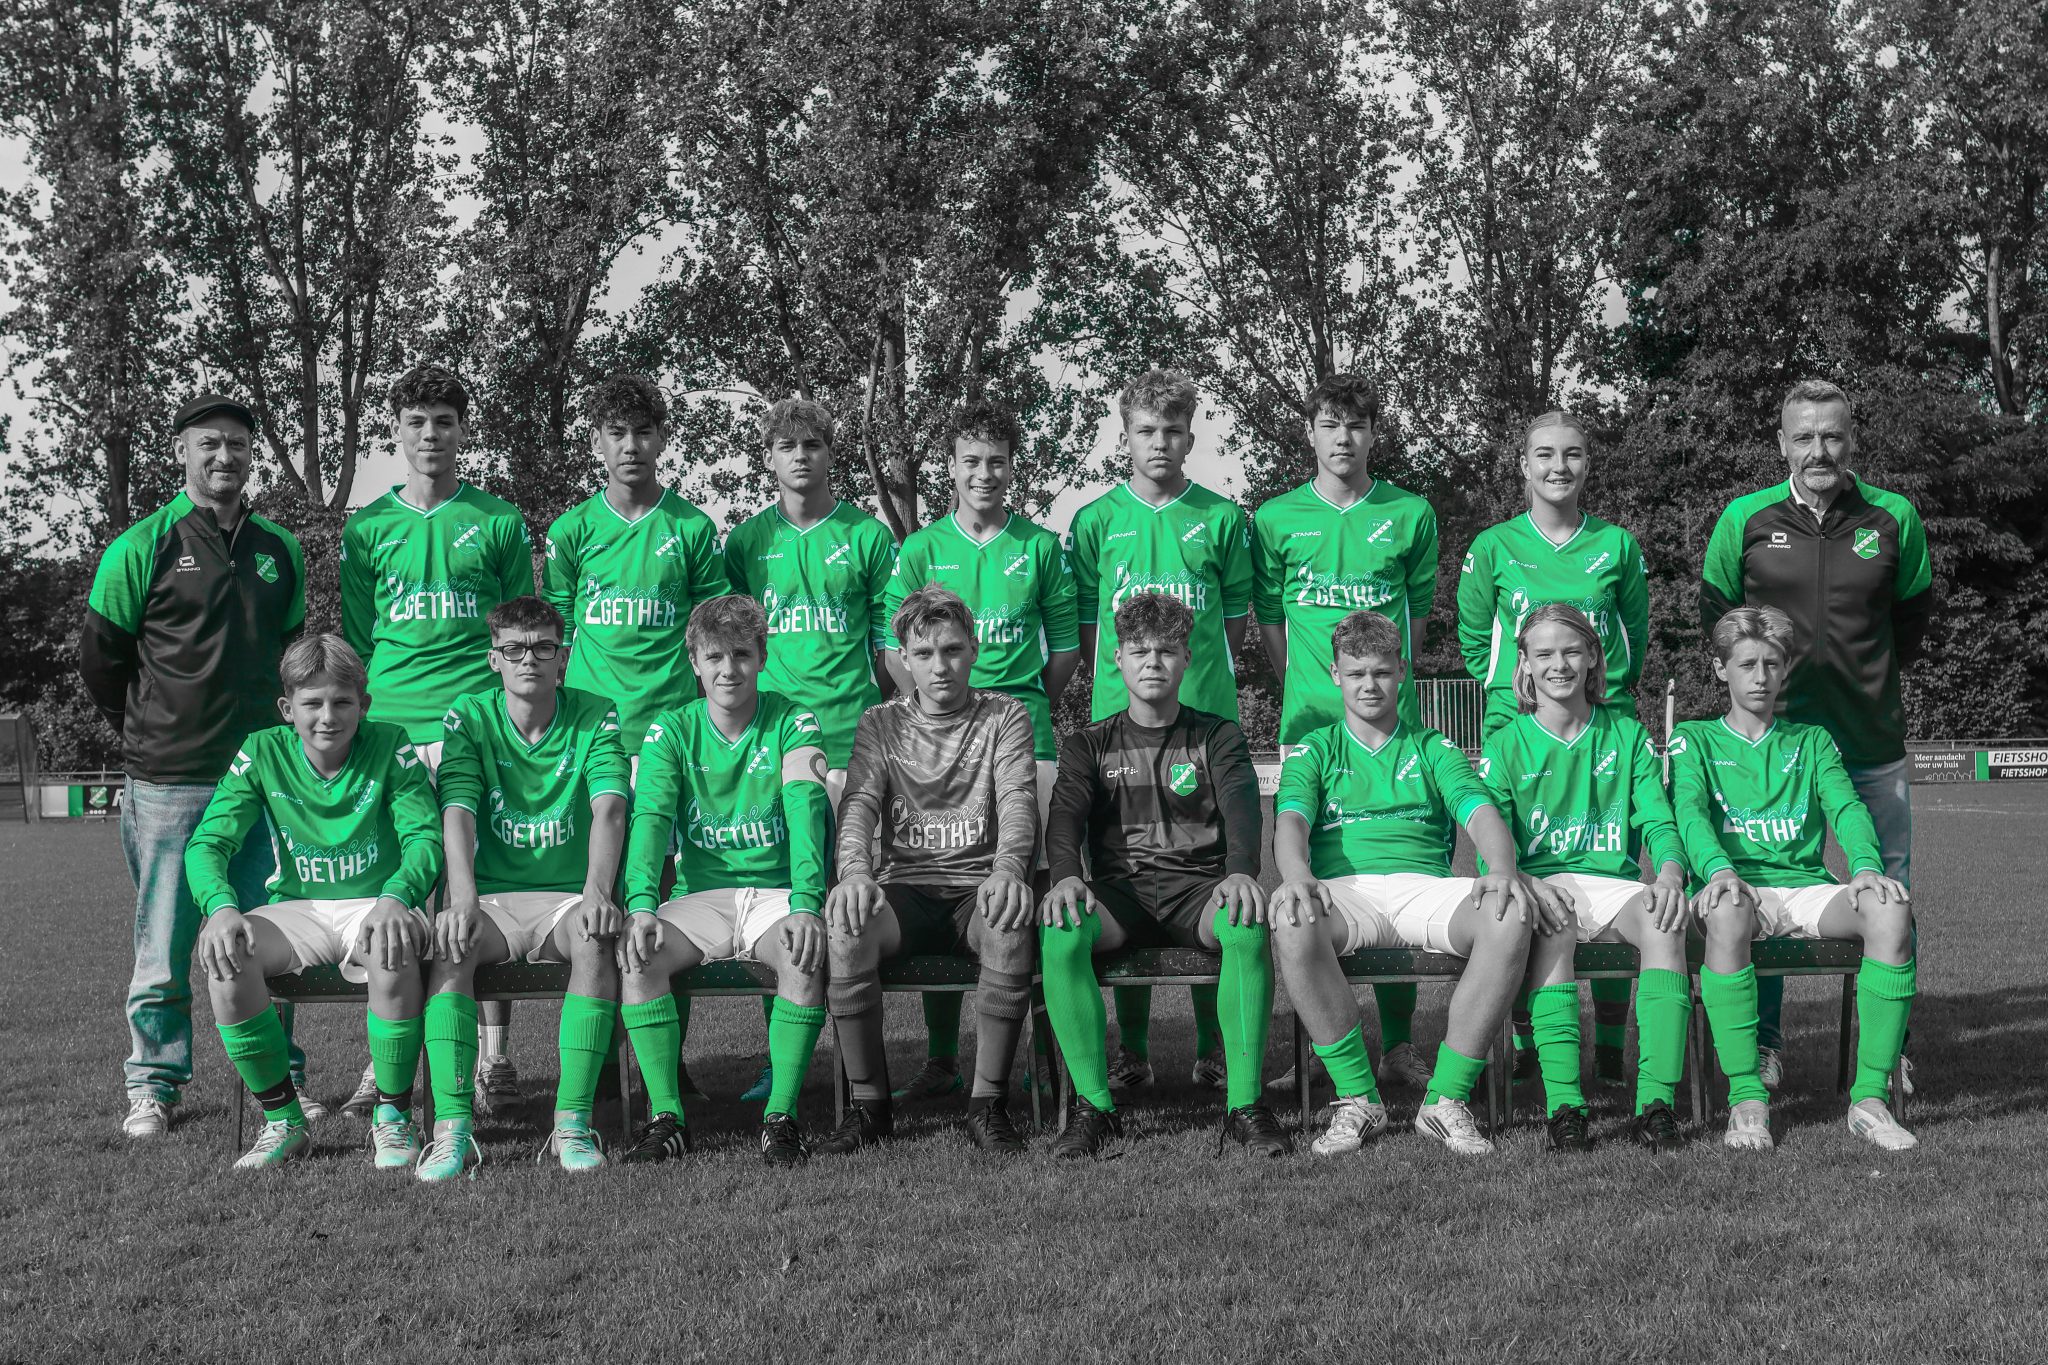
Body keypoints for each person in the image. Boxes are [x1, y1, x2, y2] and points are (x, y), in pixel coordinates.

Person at [79, 391, 312, 1138]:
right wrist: (149, 730)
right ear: (181, 450)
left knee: (270, 936)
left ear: (252, 455)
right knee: (166, 940)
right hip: (168, 778)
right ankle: (153, 1085)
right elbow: (101, 661)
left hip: (263, 779)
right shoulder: (140, 544)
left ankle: (283, 1080)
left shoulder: (281, 548)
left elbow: (294, 662)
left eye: (237, 444)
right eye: (209, 443)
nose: (224, 456)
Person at [1699, 379, 1930, 1092]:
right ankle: (1765, 1044)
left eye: (1832, 435)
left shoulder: (1894, 517)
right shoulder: (1743, 518)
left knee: (1888, 890)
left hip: (1868, 741)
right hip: (1772, 748)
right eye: (1804, 436)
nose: (1819, 450)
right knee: (1765, 881)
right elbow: (1721, 620)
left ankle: (1890, 1049)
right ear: (1782, 443)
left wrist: (1863, 681)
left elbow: (1910, 624)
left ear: (1851, 439)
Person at [1267, 610, 1551, 1158]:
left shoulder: (1434, 746)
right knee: (1292, 916)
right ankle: (1358, 1100)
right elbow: (1291, 820)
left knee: (1508, 911)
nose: (1369, 685)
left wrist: (1500, 868)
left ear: (1402, 670)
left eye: (1380, 671)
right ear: (1335, 674)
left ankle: (1446, 1099)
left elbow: (1480, 812)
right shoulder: (1314, 748)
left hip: (1424, 887)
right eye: (1356, 673)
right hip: (1345, 889)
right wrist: (1298, 875)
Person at [339, 363, 536, 1118]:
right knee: (397, 887)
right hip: (393, 729)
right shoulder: (366, 527)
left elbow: (517, 629)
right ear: (397, 431)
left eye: (444, 421)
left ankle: (493, 1055)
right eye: (417, 421)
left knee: (474, 886)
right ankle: (383, 1058)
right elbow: (362, 637)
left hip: (474, 727)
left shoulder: (500, 521)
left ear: (463, 430)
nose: (431, 434)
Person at [1037, 592, 1284, 1159]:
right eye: (1140, 651)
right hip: (1120, 895)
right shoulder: (1087, 743)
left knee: (1245, 924)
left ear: (1186, 659)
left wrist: (1241, 872)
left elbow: (1243, 810)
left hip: (1197, 892)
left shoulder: (1218, 735)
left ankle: (1245, 1106)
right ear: (1117, 659)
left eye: (1167, 650)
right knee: (1062, 928)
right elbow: (1065, 816)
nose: (1153, 662)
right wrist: (1067, 877)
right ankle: (1095, 1108)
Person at [880, 397, 1078, 1102]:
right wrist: (939, 711)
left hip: (1025, 733)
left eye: (997, 461)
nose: (984, 473)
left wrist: (1014, 703)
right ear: (951, 467)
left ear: (1013, 466)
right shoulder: (919, 549)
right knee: (938, 874)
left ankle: (1044, 1056)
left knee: (1030, 885)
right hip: (937, 741)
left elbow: (1066, 652)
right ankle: (942, 1058)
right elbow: (893, 649)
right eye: (971, 461)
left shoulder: (1041, 547)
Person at [184, 635, 442, 1169]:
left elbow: (424, 838)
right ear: (288, 709)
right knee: (229, 960)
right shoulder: (262, 751)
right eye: (313, 703)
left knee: (390, 945)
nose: (328, 716)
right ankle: (284, 1121)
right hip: (298, 908)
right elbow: (208, 843)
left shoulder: (391, 743)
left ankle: (393, 1118)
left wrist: (397, 896)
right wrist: (221, 906)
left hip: (378, 902)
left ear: (363, 704)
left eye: (342, 701)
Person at [543, 372, 731, 1101]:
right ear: (597, 441)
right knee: (601, 901)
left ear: (662, 440)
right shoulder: (572, 531)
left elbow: (713, 638)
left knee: (662, 902)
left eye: (643, 432)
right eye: (616, 432)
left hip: (671, 741)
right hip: (595, 741)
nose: (631, 445)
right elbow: (557, 641)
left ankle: (664, 1062)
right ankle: (596, 1067)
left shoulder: (692, 529)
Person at [1253, 373, 1441, 1095]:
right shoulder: (1275, 518)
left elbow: (1414, 621)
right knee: (1308, 882)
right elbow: (1271, 621)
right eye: (1330, 424)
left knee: (1403, 871)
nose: (1343, 438)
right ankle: (1319, 1051)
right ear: (1310, 432)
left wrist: (1383, 689)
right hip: (1309, 723)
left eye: (1356, 425)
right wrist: (1305, 683)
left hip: (1393, 728)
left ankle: (1398, 1046)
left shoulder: (1410, 513)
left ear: (1372, 434)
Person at [1670, 606, 1918, 1151]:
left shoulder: (1812, 740)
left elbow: (1846, 807)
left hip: (1805, 886)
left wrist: (1866, 866)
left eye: (1772, 664)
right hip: (1733, 886)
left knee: (1890, 910)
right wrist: (1719, 870)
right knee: (1727, 909)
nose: (1760, 677)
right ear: (1720, 669)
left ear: (1785, 669)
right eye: (1747, 664)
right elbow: (1688, 812)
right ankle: (1747, 1100)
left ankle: (1870, 1099)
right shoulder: (1695, 738)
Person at [1066, 369, 1251, 1095]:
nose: (1160, 443)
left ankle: (1212, 1048)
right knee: (1122, 873)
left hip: (1202, 726)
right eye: (1146, 430)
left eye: (1173, 430)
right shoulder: (1093, 521)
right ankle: (1133, 1052)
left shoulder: (1222, 518)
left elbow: (1231, 624)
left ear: (1190, 437)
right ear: (1126, 436)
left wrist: (1188, 685)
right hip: (1121, 732)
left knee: (1212, 878)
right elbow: (1092, 634)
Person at [1458, 411, 1649, 1085]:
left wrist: (1598, 701)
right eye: (1544, 454)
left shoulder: (1616, 545)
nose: (1558, 467)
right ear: (1524, 464)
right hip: (1516, 730)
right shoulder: (1493, 546)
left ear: (1588, 463)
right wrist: (1522, 703)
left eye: (1572, 454)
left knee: (1615, 876)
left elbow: (1632, 638)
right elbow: (1474, 640)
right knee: (1517, 886)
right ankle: (1525, 1041)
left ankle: (1610, 1045)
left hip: (1601, 731)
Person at [613, 595, 833, 1166]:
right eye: (714, 656)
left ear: (762, 657)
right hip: (701, 896)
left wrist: (807, 903)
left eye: (741, 654)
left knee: (802, 952)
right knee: (640, 952)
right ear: (694, 662)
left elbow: (806, 815)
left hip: (776, 894)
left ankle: (781, 1117)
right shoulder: (671, 729)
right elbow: (650, 821)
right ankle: (667, 1118)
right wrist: (641, 905)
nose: (728, 669)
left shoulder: (794, 720)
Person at [823, 586, 1041, 1153]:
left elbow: (1018, 799)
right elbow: (859, 804)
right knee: (846, 928)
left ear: (974, 649)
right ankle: (869, 1108)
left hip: (977, 887)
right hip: (905, 888)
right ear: (903, 658)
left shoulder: (1005, 715)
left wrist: (1009, 869)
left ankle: (987, 1105)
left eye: (951, 650)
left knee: (1009, 925)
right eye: (924, 654)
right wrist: (854, 873)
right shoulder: (879, 722)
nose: (939, 666)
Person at [722, 397, 896, 1101]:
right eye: (787, 445)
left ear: (831, 453)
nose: (801, 456)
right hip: (774, 743)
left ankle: (861, 1067)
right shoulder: (745, 542)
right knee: (783, 899)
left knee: (849, 899)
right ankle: (781, 1059)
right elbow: (731, 646)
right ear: (769, 457)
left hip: (851, 738)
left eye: (813, 444)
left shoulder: (867, 536)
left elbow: (887, 647)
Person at [1476, 605, 1691, 1153]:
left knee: (1666, 923)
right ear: (1524, 664)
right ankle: (1566, 1108)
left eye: (1572, 651)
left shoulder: (1627, 734)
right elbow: (1490, 851)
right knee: (1555, 923)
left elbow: (1659, 821)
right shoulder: (1504, 743)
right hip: (1543, 884)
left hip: (1614, 885)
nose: (1559, 664)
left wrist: (1670, 872)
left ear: (1594, 656)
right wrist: (1526, 882)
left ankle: (1656, 1104)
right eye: (1544, 654)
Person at [430, 596, 631, 1177]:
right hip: (493, 898)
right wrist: (462, 899)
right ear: (493, 658)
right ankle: (451, 1130)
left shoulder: (596, 712)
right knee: (450, 944)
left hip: (565, 897)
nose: (529, 660)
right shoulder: (469, 714)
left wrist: (598, 891)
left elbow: (610, 805)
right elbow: (458, 809)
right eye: (514, 649)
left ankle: (572, 1125)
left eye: (543, 647)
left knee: (595, 938)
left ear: (563, 657)